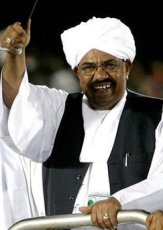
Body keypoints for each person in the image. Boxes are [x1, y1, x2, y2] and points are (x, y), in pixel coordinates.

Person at [1, 16, 163, 230]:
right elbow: (17, 101)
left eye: (109, 65)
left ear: (127, 67)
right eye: (89, 67)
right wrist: (15, 54)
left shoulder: (157, 114)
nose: (100, 75)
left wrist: (121, 202)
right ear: (77, 72)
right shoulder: (59, 109)